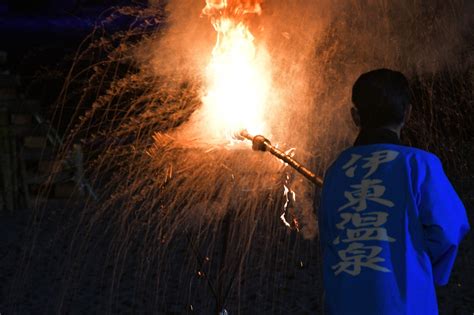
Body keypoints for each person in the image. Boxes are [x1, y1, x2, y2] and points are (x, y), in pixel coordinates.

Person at [317, 68, 470, 314]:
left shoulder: (337, 169)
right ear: (407, 113)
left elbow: (329, 237)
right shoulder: (420, 164)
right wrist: (414, 258)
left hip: (344, 302)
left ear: (355, 116)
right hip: (404, 304)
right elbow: (450, 229)